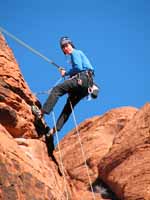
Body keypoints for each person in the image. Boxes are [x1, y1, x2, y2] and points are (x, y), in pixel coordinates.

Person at [34, 36, 95, 136]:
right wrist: (69, 74)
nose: (65, 48)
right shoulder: (78, 54)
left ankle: (42, 112)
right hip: (86, 86)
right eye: (63, 47)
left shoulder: (75, 52)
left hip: (82, 79)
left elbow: (78, 67)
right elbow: (79, 68)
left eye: (66, 45)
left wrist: (65, 73)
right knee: (69, 106)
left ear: (71, 44)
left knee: (57, 89)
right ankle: (54, 130)